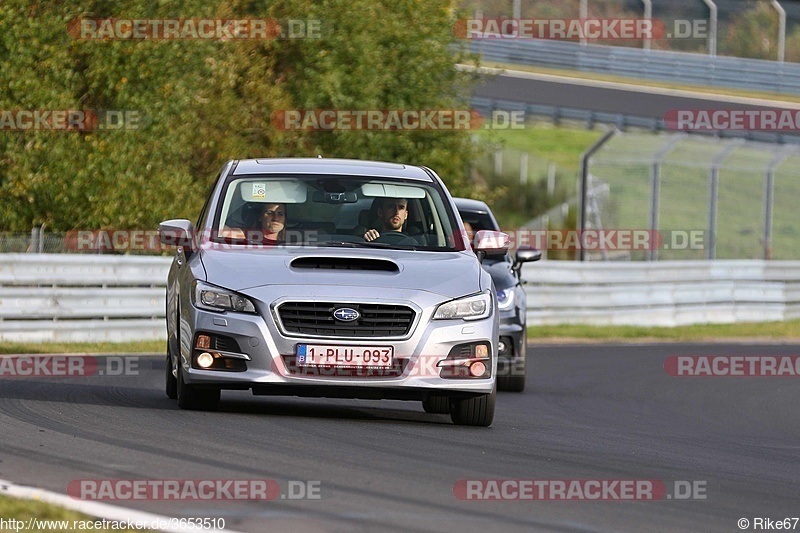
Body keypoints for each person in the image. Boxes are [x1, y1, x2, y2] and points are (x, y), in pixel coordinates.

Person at [221, 203, 287, 243]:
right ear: (260, 217)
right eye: (269, 213)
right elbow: (221, 230)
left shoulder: (293, 243)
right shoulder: (248, 236)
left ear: (285, 219)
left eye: (280, 214)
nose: (275, 218)